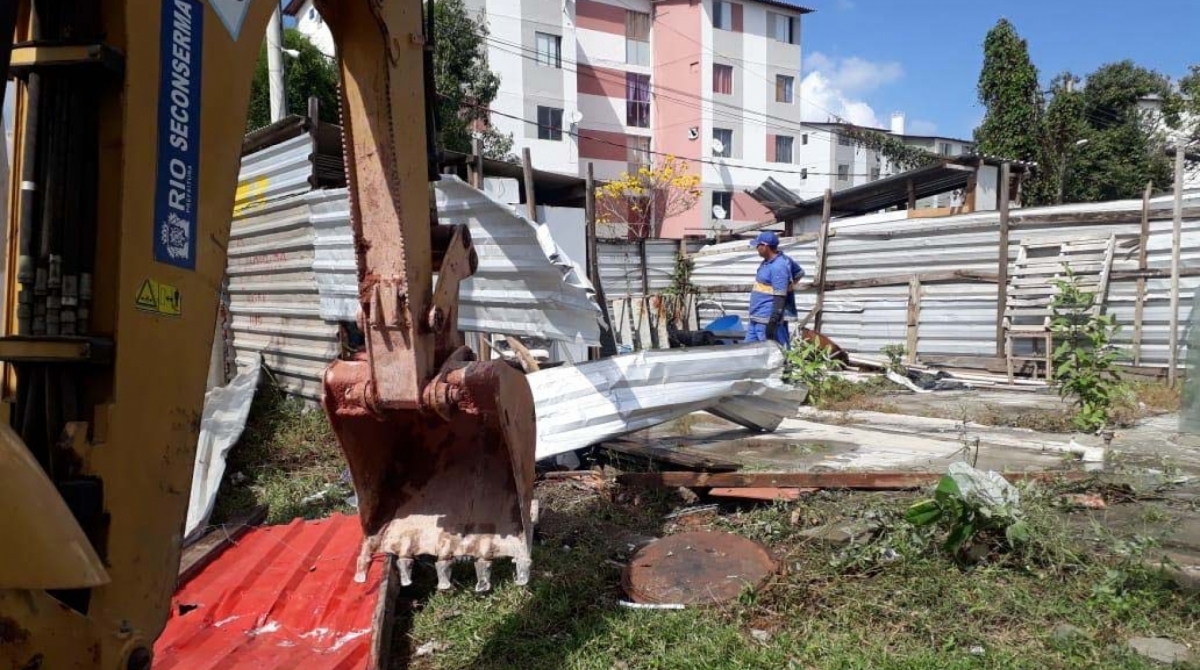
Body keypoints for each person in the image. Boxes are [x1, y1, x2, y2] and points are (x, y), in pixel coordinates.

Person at [745, 231, 801, 346]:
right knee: (748, 351)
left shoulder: (778, 267)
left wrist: (773, 322)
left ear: (765, 247)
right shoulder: (769, 262)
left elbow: (779, 298)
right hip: (756, 317)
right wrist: (788, 286)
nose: (756, 248)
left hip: (766, 319)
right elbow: (799, 273)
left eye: (758, 245)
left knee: (772, 353)